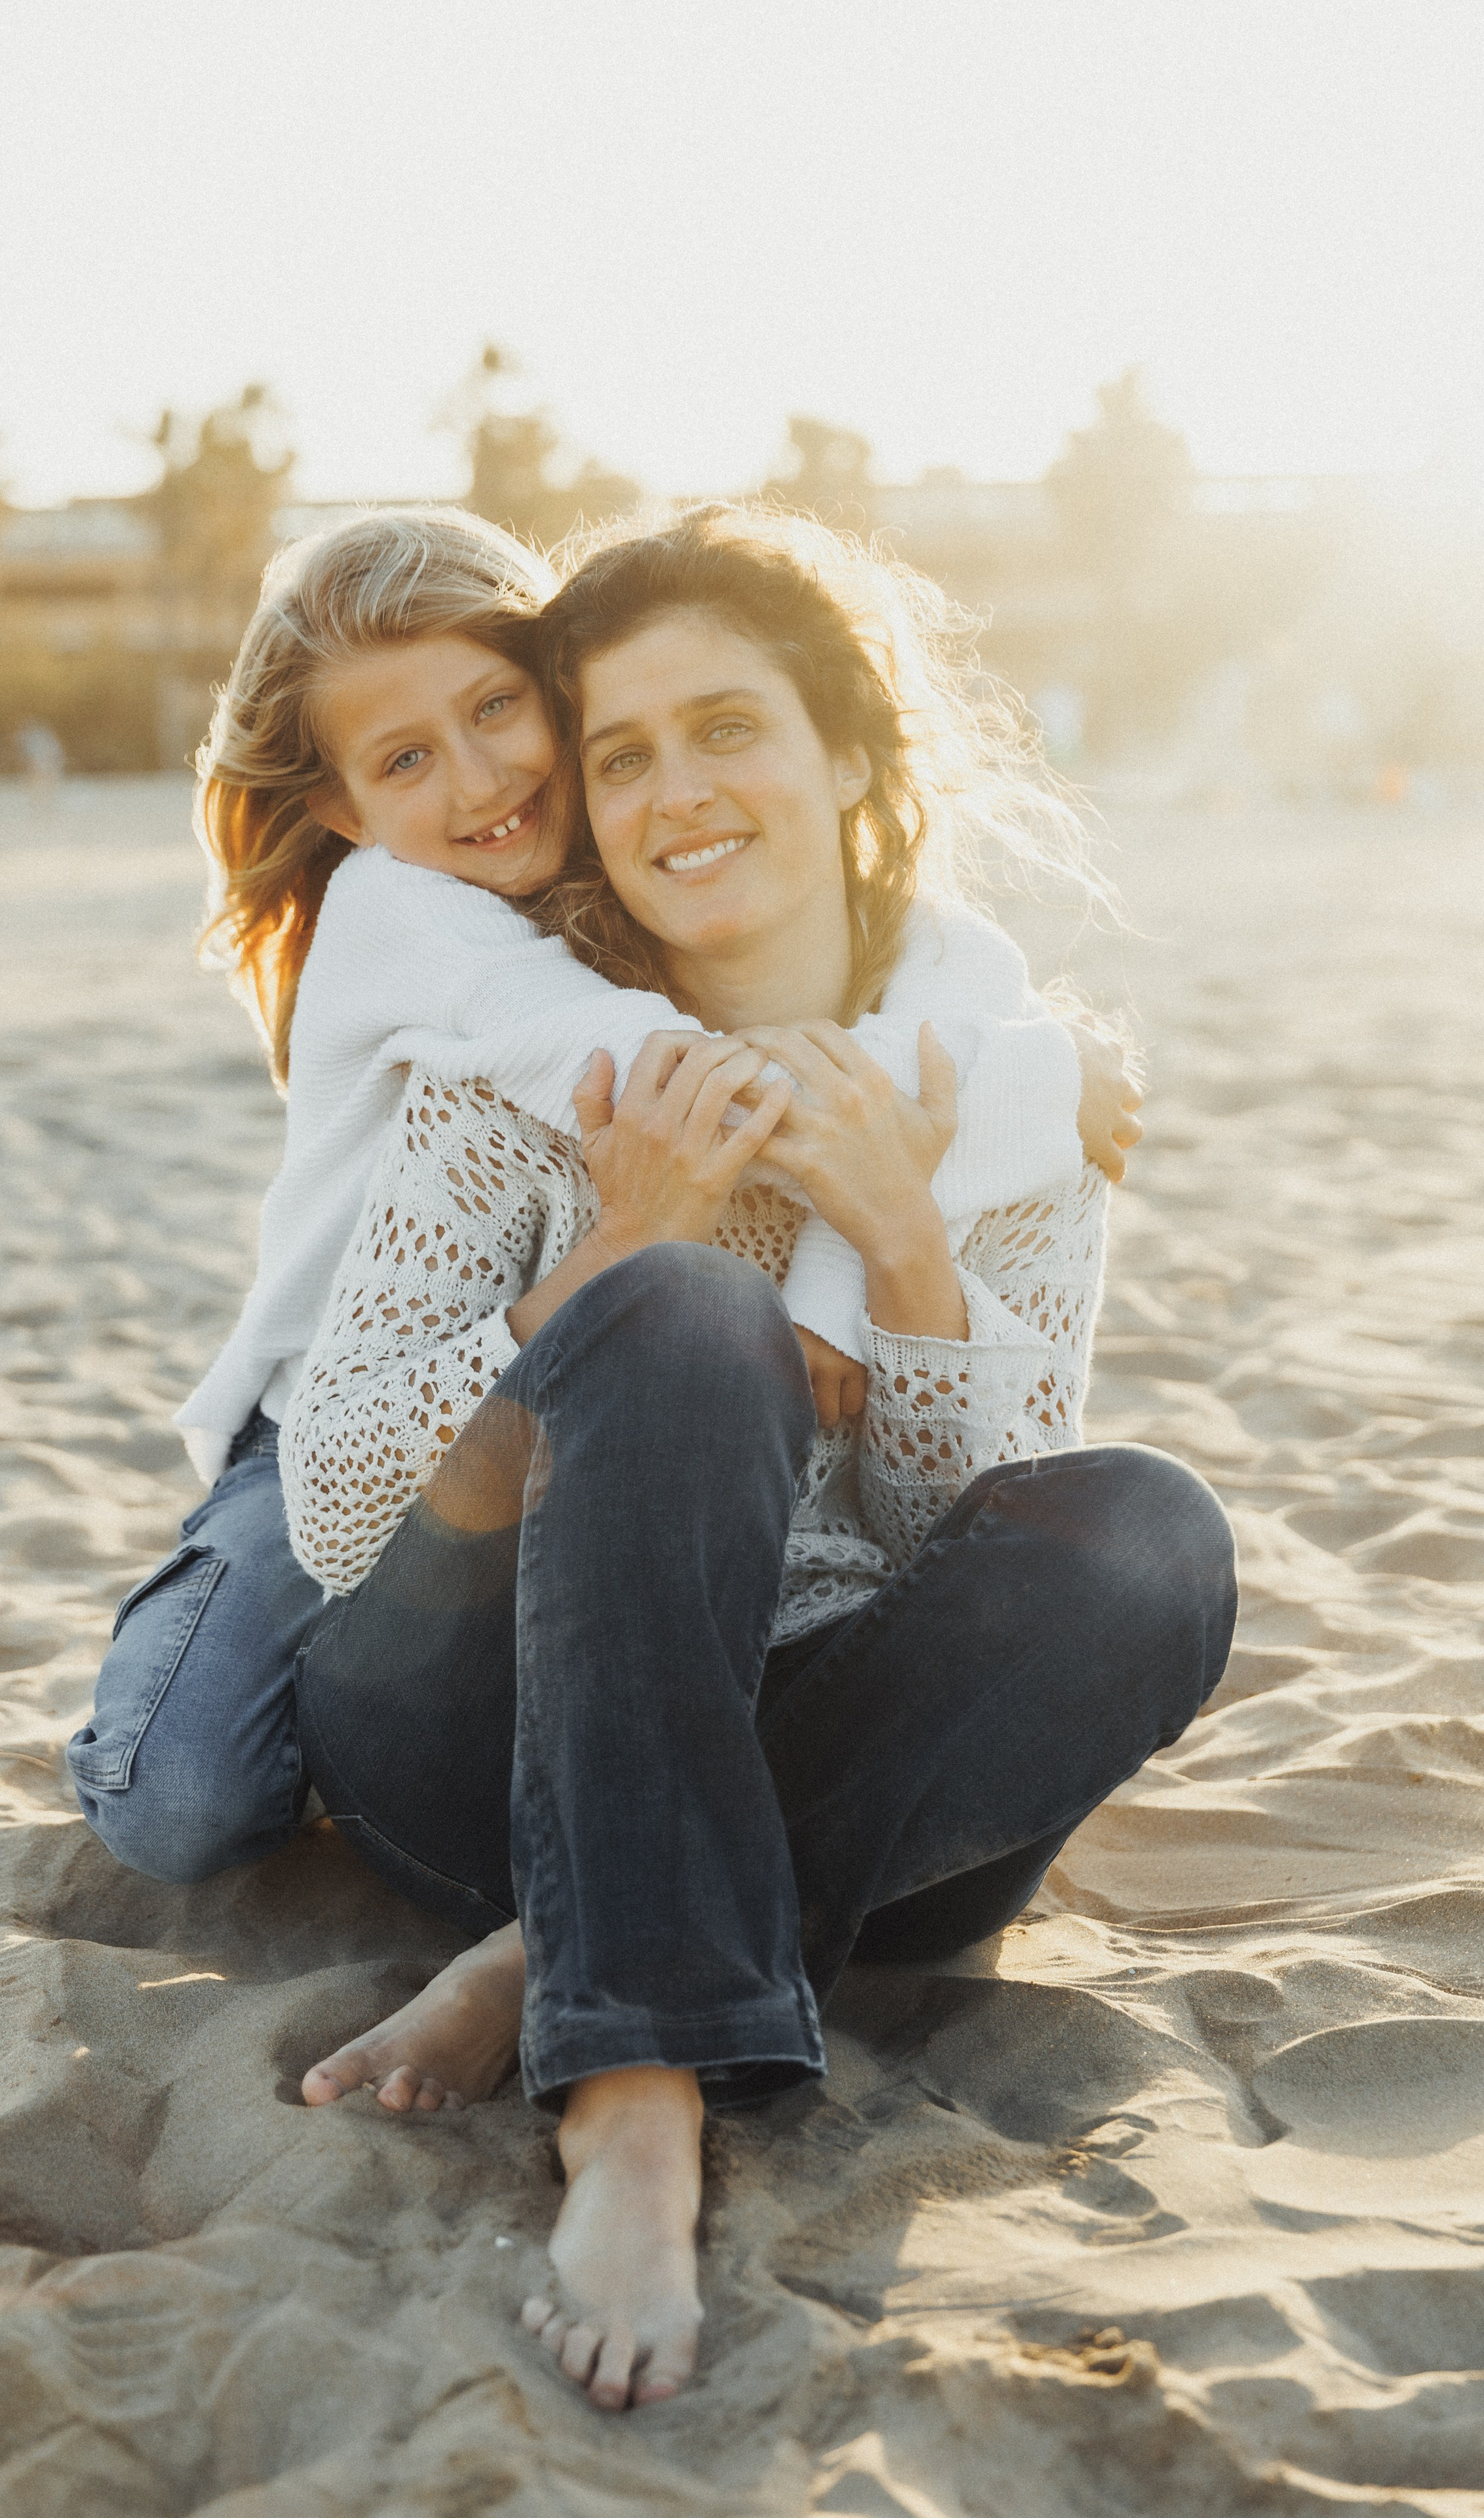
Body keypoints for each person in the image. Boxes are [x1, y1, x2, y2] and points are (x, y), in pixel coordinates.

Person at [279, 505, 1236, 2413]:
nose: (674, 793)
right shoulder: (528, 1074)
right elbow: (337, 1505)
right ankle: (634, 2096)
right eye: (622, 754)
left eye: (726, 729)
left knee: (1153, 1530)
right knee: (689, 1316)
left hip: (857, 1781)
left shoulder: (994, 1100)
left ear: (852, 759)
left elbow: (974, 1543)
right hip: (473, 1734)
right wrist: (619, 1251)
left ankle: (556, 1951)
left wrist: (904, 1242)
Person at [69, 509, 1142, 1881]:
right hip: (321, 1422)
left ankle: (603, 1891)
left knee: (1137, 1536)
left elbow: (953, 966)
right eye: (406, 758)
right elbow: (669, 1091)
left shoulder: (638, 879)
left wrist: (864, 1250)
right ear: (344, 811)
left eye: (496, 709)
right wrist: (1035, 1085)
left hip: (549, 1436)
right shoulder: (411, 911)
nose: (478, 780)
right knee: (185, 1792)